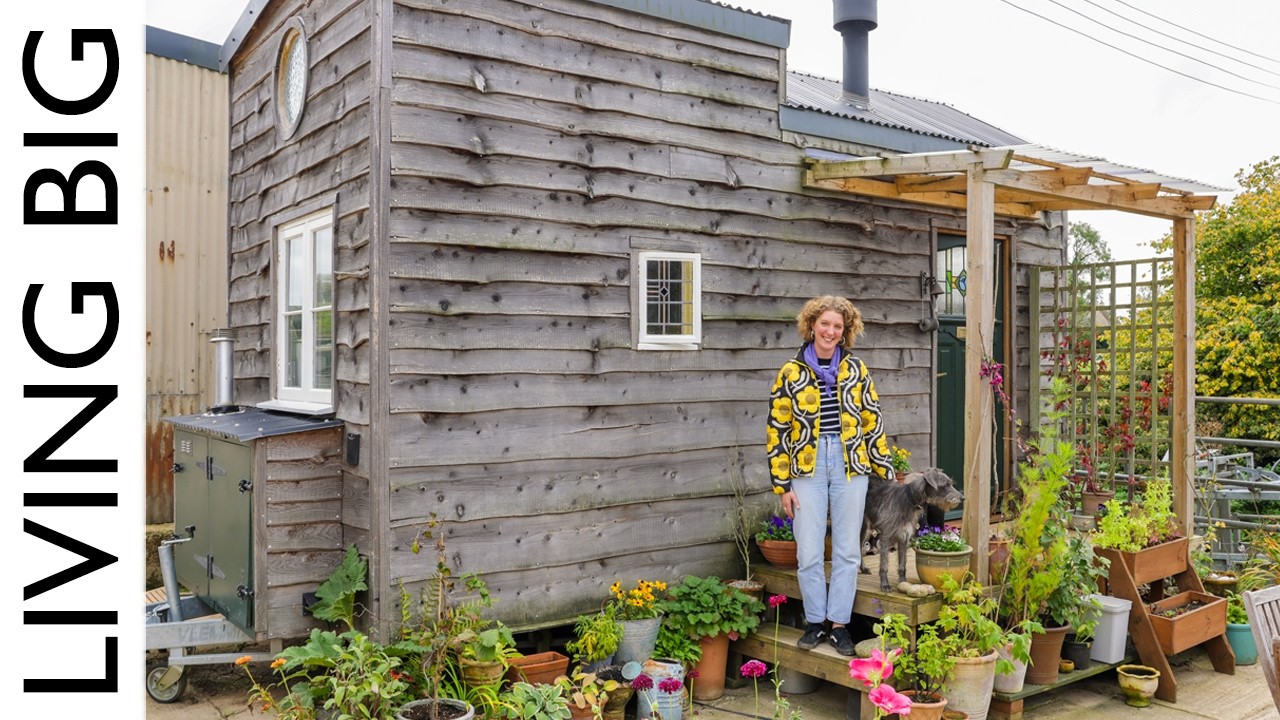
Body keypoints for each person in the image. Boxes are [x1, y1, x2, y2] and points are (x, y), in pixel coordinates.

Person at [765, 295, 895, 656]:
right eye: (825, 324)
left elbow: (872, 420)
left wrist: (885, 473)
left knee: (847, 552)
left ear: (845, 331)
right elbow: (777, 429)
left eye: (838, 326)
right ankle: (814, 622)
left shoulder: (856, 369)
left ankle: (839, 625)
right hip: (805, 466)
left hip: (850, 463)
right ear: (811, 325)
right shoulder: (790, 372)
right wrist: (782, 485)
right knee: (807, 550)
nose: (831, 331)